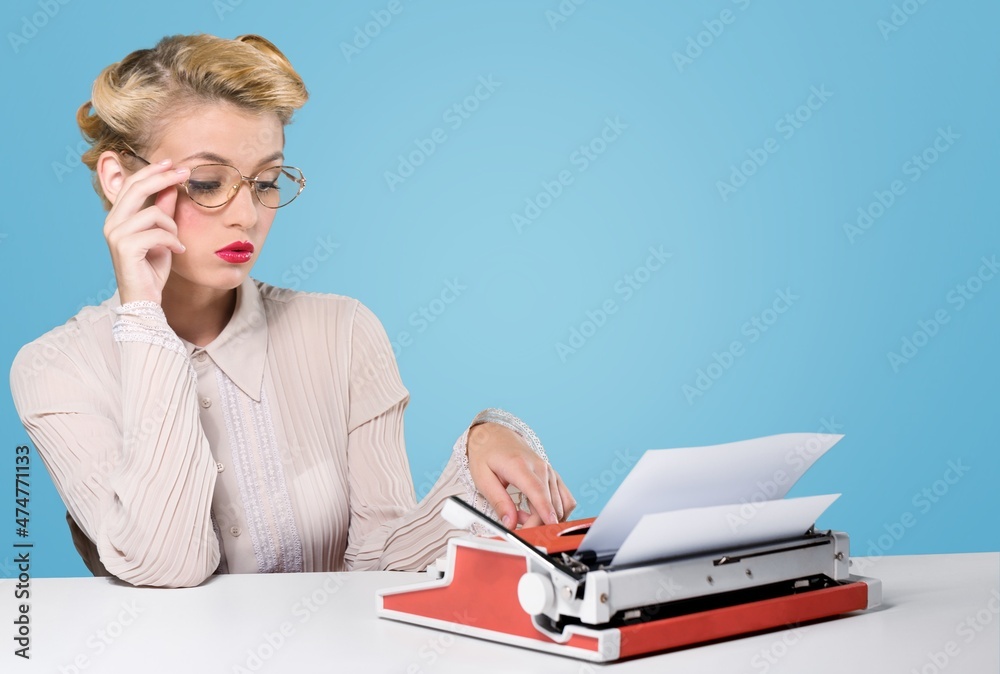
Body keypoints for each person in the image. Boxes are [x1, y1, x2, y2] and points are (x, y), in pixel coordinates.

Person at [9, 33, 575, 588]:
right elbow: (166, 566)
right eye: (208, 183)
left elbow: (383, 569)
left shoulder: (342, 332)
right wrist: (143, 316)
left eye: (266, 181)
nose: (247, 216)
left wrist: (480, 451)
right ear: (120, 181)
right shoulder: (55, 369)